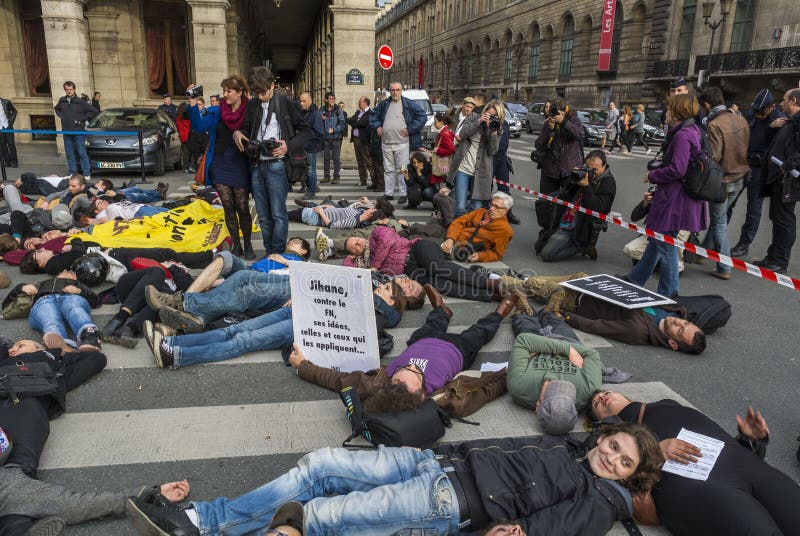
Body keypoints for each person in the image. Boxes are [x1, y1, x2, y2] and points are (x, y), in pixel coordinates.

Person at [126, 421, 662, 536]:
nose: (612, 458)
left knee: (321, 518)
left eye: (625, 463)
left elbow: (562, 528)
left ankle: (202, 528)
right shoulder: (571, 448)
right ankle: (204, 519)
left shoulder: (601, 497)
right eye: (614, 446)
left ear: (633, 480)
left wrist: (520, 534)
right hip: (430, 462)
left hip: (451, 500)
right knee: (320, 466)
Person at [588, 391, 800, 536]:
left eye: (604, 392)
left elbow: (713, 441)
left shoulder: (666, 405)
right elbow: (602, 467)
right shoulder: (613, 436)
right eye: (597, 403)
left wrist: (750, 440)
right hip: (705, 492)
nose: (603, 397)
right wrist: (653, 453)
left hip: (744, 466)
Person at [290, 286, 519, 410]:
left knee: (432, 323)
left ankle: (441, 309)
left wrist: (303, 366)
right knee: (479, 333)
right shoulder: (441, 398)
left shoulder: (376, 385)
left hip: (422, 341)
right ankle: (498, 314)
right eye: (416, 374)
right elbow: (482, 392)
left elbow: (336, 379)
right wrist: (510, 375)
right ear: (422, 393)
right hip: (457, 350)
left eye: (403, 371)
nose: (411, 366)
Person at [145, 279, 406, 369]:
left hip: (305, 328)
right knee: (235, 329)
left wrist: (369, 295)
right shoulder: (365, 294)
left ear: (392, 300)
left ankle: (177, 357)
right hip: (298, 313)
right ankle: (172, 343)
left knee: (243, 341)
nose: (377, 287)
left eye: (383, 288)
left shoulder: (382, 313)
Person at [500, 273, 707, 354]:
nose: (680, 323)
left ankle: (496, 280)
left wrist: (563, 313)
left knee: (535, 284)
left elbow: (596, 326)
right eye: (686, 323)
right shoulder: (676, 309)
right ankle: (521, 281)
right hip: (588, 283)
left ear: (672, 343)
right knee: (535, 282)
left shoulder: (638, 331)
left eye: (680, 330)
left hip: (574, 299)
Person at [626, 94, 707, 298]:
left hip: (674, 199)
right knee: (657, 240)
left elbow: (677, 169)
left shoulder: (682, 135)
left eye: (669, 109)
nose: (666, 113)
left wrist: (653, 175)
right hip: (679, 196)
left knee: (666, 245)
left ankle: (669, 293)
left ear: (677, 112)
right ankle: (636, 279)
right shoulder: (693, 130)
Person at [233, 67, 310, 255]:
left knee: (278, 214)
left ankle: (277, 252)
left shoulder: (286, 103)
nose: (260, 96)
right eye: (256, 93)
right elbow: (246, 127)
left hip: (277, 165)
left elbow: (307, 131)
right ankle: (269, 252)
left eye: (263, 92)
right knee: (264, 216)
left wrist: (288, 146)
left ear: (272, 86)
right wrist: (238, 132)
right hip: (257, 165)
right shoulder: (253, 105)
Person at [187, 75, 254, 259]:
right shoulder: (217, 111)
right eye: (224, 91)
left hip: (241, 164)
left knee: (242, 206)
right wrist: (193, 102)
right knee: (227, 206)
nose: (225, 94)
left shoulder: (250, 109)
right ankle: (237, 245)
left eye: (229, 91)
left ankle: (248, 243)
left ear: (240, 92)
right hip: (220, 164)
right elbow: (199, 126)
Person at [508, 311, 602, 435]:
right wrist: (568, 350)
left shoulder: (519, 387)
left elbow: (523, 340)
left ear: (538, 405)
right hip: (567, 343)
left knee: (524, 323)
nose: (554, 379)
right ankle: (549, 311)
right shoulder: (588, 391)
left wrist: (538, 345)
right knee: (557, 323)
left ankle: (524, 310)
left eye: (551, 388)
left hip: (537, 344)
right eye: (565, 390)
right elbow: (591, 353)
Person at [698, 87, 750, 280]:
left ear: (707, 104)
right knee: (718, 217)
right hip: (741, 174)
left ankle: (724, 266)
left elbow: (715, 156)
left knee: (719, 222)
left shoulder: (714, 124)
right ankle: (701, 253)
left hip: (724, 178)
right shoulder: (740, 118)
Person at [730, 89, 786, 258]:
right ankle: (716, 237)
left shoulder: (780, 120)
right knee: (728, 200)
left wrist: (770, 128)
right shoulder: (750, 115)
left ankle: (744, 243)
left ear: (772, 107)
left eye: (762, 113)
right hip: (743, 164)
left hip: (761, 169)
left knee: (753, 208)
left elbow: (779, 146)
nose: (758, 116)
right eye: (756, 113)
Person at [536, 149, 616, 262]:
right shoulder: (584, 175)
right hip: (566, 218)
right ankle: (560, 237)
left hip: (581, 226)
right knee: (538, 247)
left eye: (595, 170)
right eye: (588, 169)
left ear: (604, 166)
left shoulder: (608, 183)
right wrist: (573, 177)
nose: (591, 172)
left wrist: (586, 187)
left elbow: (598, 209)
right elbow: (565, 192)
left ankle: (581, 248)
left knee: (546, 255)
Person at [754, 88, 800, 273]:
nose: (781, 103)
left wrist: (787, 165)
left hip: (788, 179)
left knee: (784, 220)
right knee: (777, 217)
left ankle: (780, 261)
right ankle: (773, 256)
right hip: (778, 178)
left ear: (794, 101)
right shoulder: (791, 121)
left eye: (784, 99)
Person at [3, 269, 102, 349]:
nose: (65, 270)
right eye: (64, 271)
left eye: (70, 272)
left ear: (75, 277)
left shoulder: (78, 284)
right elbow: (6, 303)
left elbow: (96, 301)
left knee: (74, 308)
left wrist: (80, 291)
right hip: (44, 301)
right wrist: (22, 287)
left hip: (70, 297)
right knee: (50, 319)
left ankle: (90, 336)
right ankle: (62, 346)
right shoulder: (41, 284)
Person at [370, 82, 427, 205]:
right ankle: (388, 193)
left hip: (402, 142)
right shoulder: (384, 104)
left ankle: (403, 193)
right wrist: (377, 126)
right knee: (388, 169)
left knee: (402, 169)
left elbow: (422, 116)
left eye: (397, 90)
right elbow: (373, 115)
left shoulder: (408, 103)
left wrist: (410, 129)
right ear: (389, 91)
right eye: (393, 90)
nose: (395, 92)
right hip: (386, 142)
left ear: (401, 91)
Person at [532, 97, 584, 195]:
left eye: (558, 113)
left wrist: (564, 122)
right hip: (550, 171)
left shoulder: (573, 120)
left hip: (569, 170)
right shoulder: (549, 122)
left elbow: (580, 134)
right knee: (546, 203)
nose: (555, 116)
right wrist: (550, 130)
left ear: (565, 111)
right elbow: (538, 145)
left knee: (568, 204)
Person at [446, 97, 483, 216]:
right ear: (463, 105)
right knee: (460, 206)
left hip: (463, 154)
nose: (468, 109)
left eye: (471, 108)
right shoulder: (454, 115)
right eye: (466, 106)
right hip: (456, 156)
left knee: (475, 206)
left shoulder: (475, 119)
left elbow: (464, 134)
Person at [54, 82, 98, 177]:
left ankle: (86, 173)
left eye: (70, 89)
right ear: (65, 90)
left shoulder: (80, 101)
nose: (69, 91)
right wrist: (62, 116)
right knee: (69, 154)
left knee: (82, 153)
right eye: (67, 89)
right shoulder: (62, 100)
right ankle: (72, 173)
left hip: (78, 131)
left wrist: (82, 119)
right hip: (66, 131)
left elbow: (94, 111)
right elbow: (56, 109)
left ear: (74, 89)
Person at [297, 92, 324, 199]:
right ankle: (312, 187)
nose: (301, 103)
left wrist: (305, 135)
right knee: (307, 168)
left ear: (309, 100)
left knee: (310, 169)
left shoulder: (315, 114)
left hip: (311, 145)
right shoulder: (304, 112)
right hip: (305, 145)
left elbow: (319, 131)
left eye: (304, 101)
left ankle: (311, 191)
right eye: (300, 100)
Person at [319, 92, 345, 185]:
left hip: (336, 137)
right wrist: (320, 119)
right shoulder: (322, 110)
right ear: (326, 100)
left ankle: (336, 176)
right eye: (330, 98)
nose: (332, 100)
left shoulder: (338, 110)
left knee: (336, 158)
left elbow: (342, 124)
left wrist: (334, 130)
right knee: (326, 158)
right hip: (325, 138)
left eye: (333, 98)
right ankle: (326, 176)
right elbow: (317, 122)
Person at [347, 96, 374, 187]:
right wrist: (356, 122)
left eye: (360, 102)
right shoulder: (358, 112)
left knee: (368, 161)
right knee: (360, 161)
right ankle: (363, 180)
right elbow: (350, 120)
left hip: (364, 140)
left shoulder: (370, 113)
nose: (359, 103)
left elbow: (363, 123)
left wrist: (355, 123)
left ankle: (375, 180)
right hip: (356, 139)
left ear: (365, 103)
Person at [430, 111, 455, 187]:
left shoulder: (444, 134)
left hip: (442, 165)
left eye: (436, 122)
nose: (434, 124)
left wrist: (438, 151)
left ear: (442, 122)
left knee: (441, 190)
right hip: (443, 164)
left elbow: (451, 149)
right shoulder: (446, 132)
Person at [0, 95, 18, 168]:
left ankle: (14, 162)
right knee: (2, 145)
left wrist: (11, 121)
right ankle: (6, 161)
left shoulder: (6, 102)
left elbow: (14, 111)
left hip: (7, 126)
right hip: (0, 127)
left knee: (11, 144)